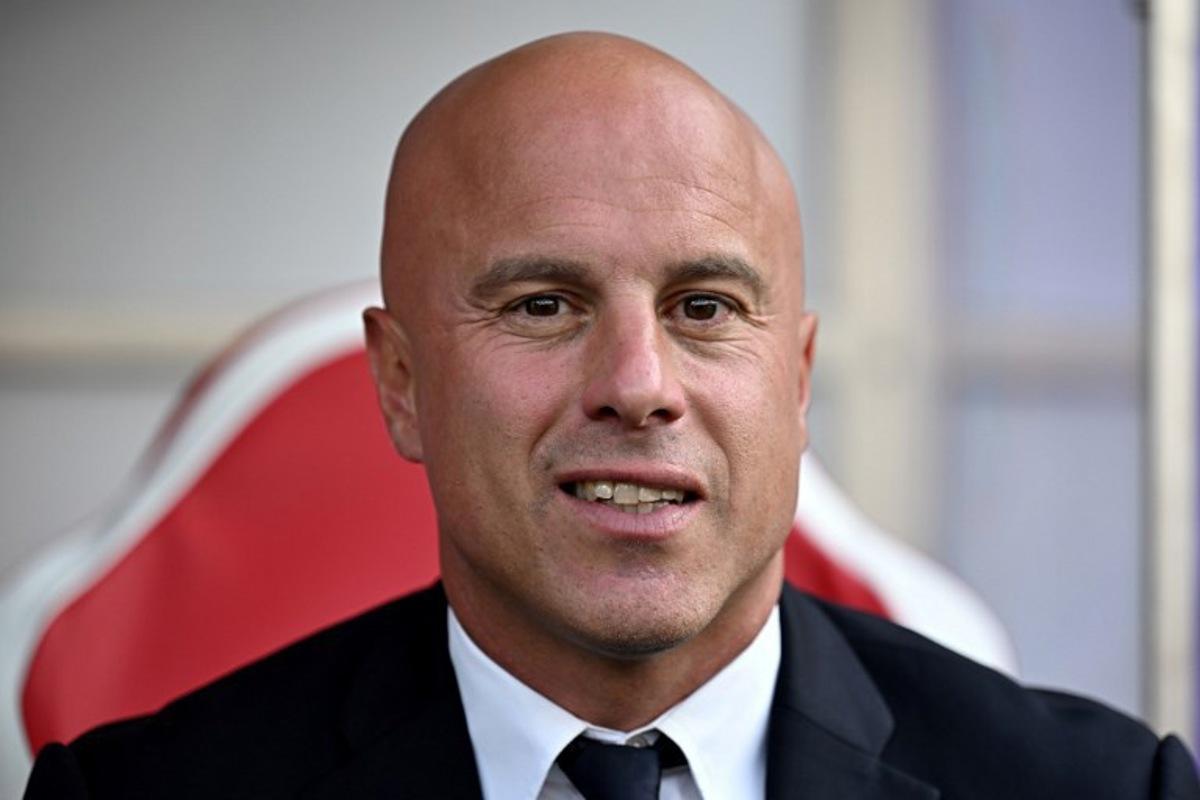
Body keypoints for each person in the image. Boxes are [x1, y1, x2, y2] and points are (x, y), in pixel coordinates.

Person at [23, 31, 1200, 800]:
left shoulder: (1100, 788)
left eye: (703, 304)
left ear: (794, 381)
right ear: (401, 385)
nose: (638, 381)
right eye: (543, 303)